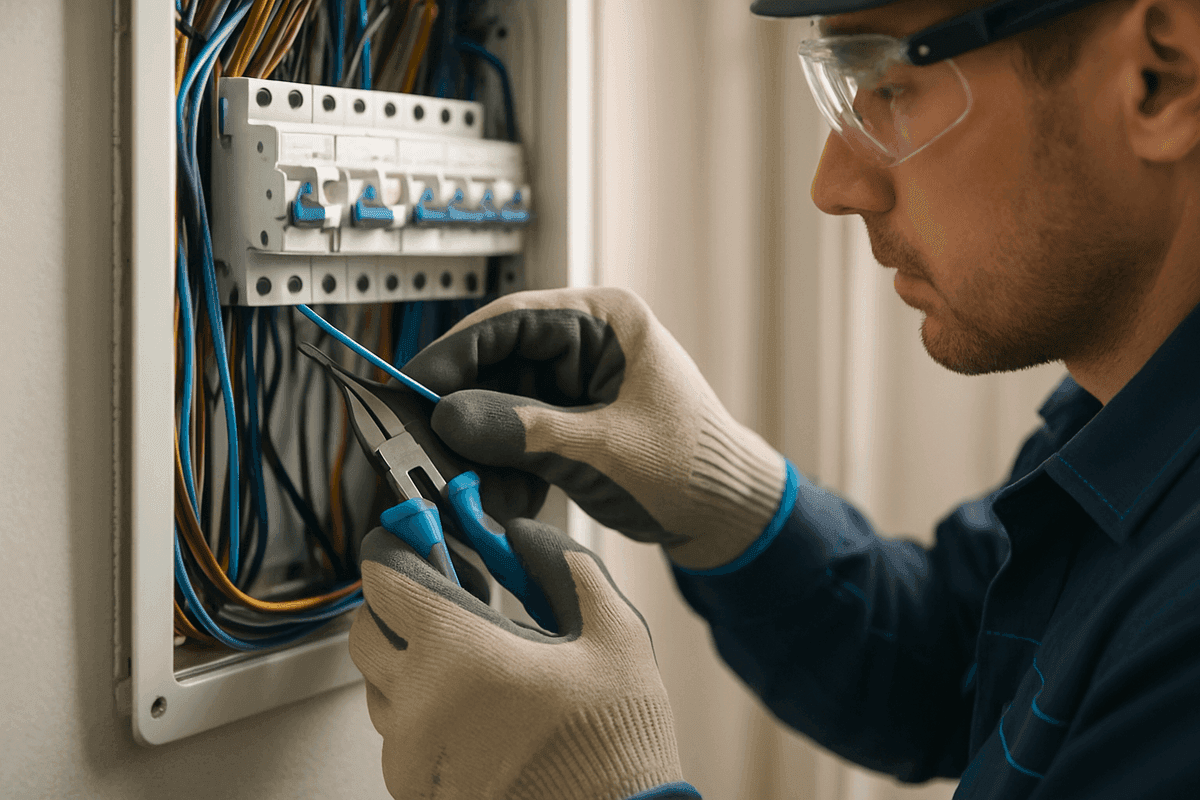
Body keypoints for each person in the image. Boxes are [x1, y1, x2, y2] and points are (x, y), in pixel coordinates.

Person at [348, 0, 1200, 797]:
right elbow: (959, 664)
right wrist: (732, 499)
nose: (834, 185)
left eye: (890, 87)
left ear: (1160, 79)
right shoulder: (1116, 416)